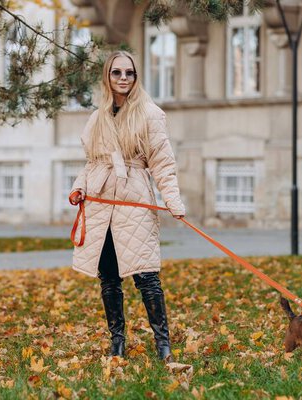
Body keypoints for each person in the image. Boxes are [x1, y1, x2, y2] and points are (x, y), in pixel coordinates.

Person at [68, 50, 185, 362]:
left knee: (147, 276)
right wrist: (79, 186)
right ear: (107, 77)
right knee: (108, 278)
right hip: (100, 204)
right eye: (117, 73)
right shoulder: (97, 117)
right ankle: (117, 342)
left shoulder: (150, 114)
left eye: (129, 73)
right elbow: (93, 162)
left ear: (136, 77)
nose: (123, 78)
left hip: (133, 199)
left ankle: (163, 346)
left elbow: (163, 163)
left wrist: (172, 200)